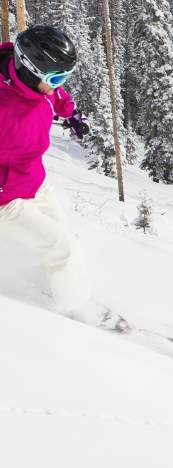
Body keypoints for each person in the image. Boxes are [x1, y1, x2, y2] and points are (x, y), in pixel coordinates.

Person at [0, 25, 96, 320]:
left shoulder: (35, 84)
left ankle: (53, 292)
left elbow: (54, 96)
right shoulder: (5, 110)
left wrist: (71, 113)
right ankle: (77, 317)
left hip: (32, 181)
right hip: (6, 199)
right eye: (56, 78)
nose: (60, 84)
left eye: (65, 77)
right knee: (61, 249)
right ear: (29, 70)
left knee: (62, 241)